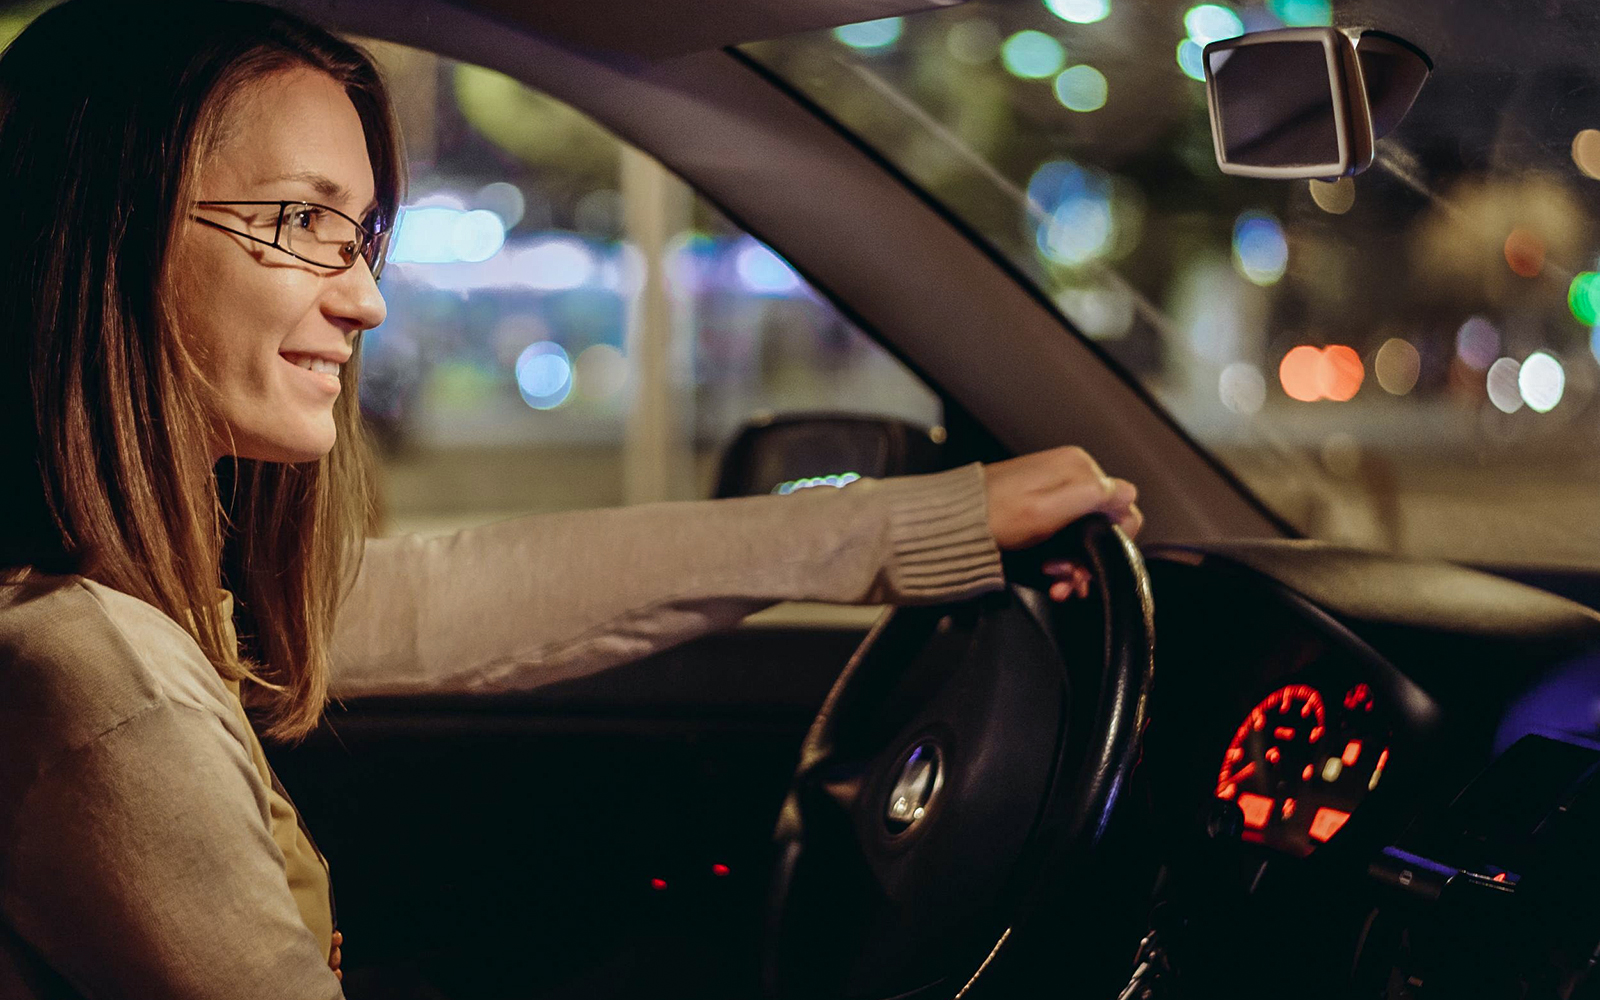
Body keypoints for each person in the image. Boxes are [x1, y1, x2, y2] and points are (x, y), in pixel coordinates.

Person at [0, 1, 1142, 996]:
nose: (367, 301)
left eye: (363, 237)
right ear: (103, 227)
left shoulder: (134, 597)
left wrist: (926, 524)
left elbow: (464, 592)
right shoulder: (103, 682)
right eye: (302, 222)